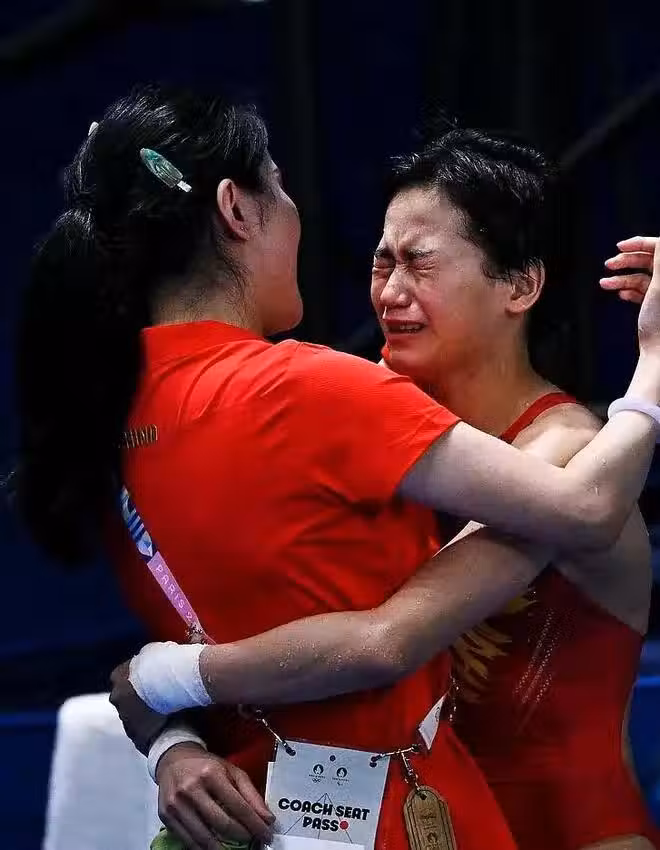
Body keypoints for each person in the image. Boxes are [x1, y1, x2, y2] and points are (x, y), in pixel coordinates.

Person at [14, 84, 660, 850]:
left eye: (419, 263)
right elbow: (322, 633)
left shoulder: (563, 446)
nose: (389, 292)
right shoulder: (322, 405)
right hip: (401, 816)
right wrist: (167, 723)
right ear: (235, 209)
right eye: (381, 261)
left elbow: (391, 633)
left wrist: (161, 697)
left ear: (520, 285)